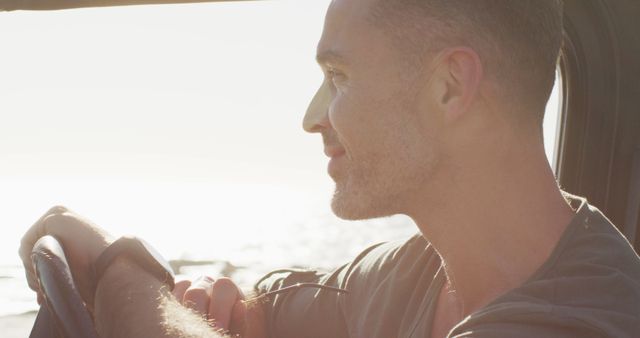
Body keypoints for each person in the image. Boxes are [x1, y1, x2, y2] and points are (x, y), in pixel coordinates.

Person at [19, 0, 640, 337]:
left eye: (337, 77)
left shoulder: (582, 319)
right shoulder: (417, 274)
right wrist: (215, 311)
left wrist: (119, 268)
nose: (313, 117)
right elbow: (279, 306)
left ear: (450, 87)